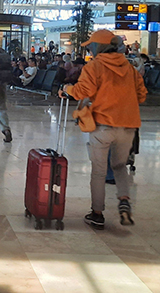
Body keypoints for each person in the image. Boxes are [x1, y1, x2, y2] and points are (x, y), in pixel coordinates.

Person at [58, 30, 147, 230]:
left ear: (99, 47)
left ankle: (97, 214)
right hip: (128, 126)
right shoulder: (131, 68)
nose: (90, 49)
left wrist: (66, 89)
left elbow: (82, 92)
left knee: (99, 172)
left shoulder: (95, 67)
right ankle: (124, 200)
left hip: (102, 126)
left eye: (92, 46)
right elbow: (141, 96)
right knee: (119, 166)